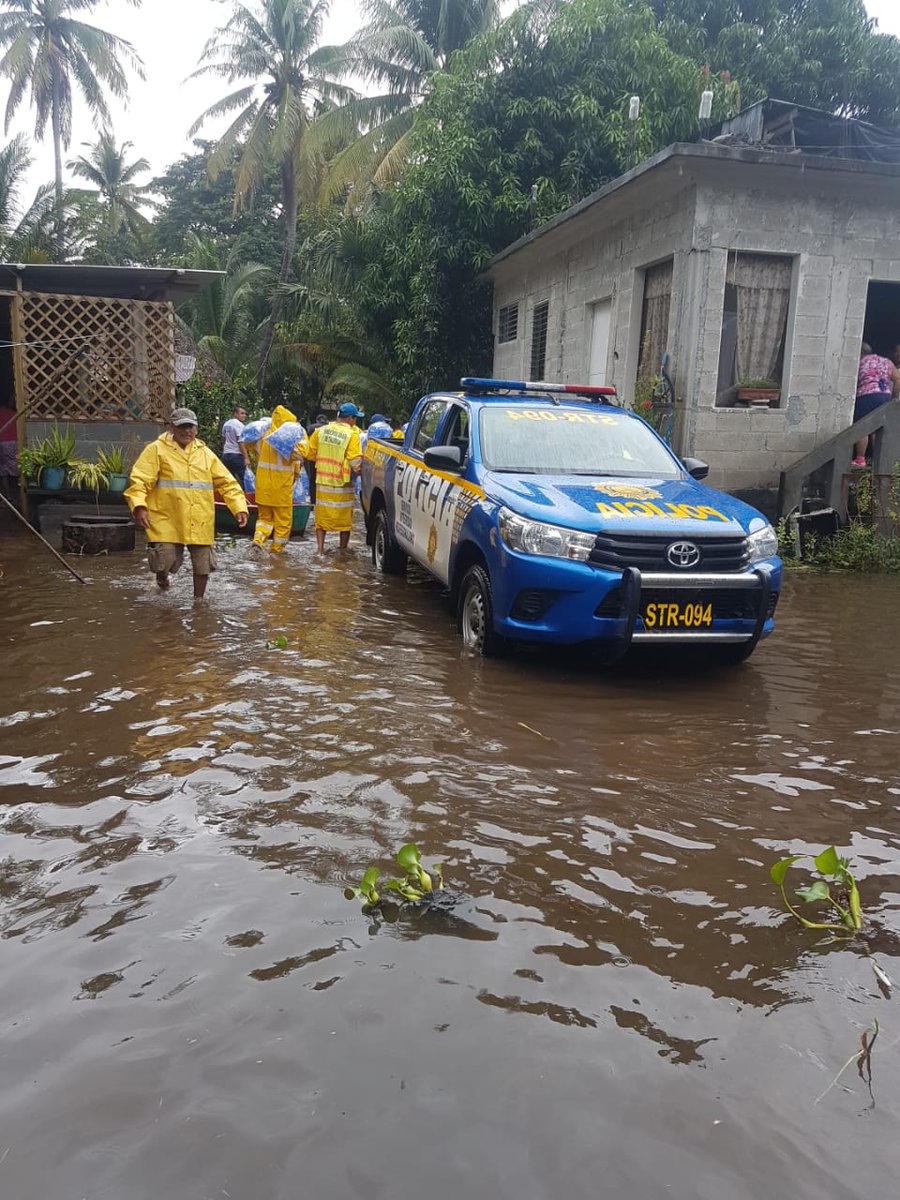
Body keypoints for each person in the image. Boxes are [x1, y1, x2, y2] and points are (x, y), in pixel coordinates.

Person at [126, 407, 248, 601]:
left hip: (200, 517)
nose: (187, 431)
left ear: (196, 429)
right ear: (171, 428)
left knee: (203, 564)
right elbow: (140, 480)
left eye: (190, 426)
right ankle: (162, 578)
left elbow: (227, 483)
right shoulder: (156, 450)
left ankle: (198, 603)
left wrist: (239, 507)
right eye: (182, 426)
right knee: (164, 561)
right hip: (167, 517)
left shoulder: (205, 453)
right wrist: (139, 506)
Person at [305, 402, 363, 552]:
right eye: (355, 418)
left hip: (323, 480)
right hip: (342, 482)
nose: (355, 422)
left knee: (321, 518)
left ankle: (320, 550)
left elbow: (310, 454)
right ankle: (342, 550)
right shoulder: (352, 435)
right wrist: (362, 471)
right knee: (344, 519)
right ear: (350, 418)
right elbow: (355, 462)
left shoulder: (321, 431)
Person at [248, 404, 307, 554]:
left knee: (264, 519)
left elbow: (249, 445)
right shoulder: (291, 437)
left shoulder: (262, 434)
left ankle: (258, 540)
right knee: (283, 523)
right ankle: (276, 552)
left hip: (262, 487)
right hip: (281, 489)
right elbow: (301, 455)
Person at [852, 343, 900, 466]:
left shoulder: (860, 362)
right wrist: (894, 398)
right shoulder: (886, 361)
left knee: (862, 427)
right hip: (884, 396)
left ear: (861, 352)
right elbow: (898, 379)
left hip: (865, 396)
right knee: (877, 428)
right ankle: (876, 459)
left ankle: (860, 459)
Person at [221, 404, 247, 483]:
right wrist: (246, 457)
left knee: (229, 481)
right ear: (235, 413)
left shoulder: (226, 424)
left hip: (226, 455)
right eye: (242, 413)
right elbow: (240, 442)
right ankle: (245, 495)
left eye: (245, 414)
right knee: (245, 480)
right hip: (236, 455)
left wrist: (225, 450)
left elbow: (223, 439)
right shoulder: (239, 425)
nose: (244, 415)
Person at [0, 398, 17, 502]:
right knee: (18, 466)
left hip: (2, 442)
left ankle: (8, 496)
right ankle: (20, 493)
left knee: (3, 469)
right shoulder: (13, 413)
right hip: (15, 441)